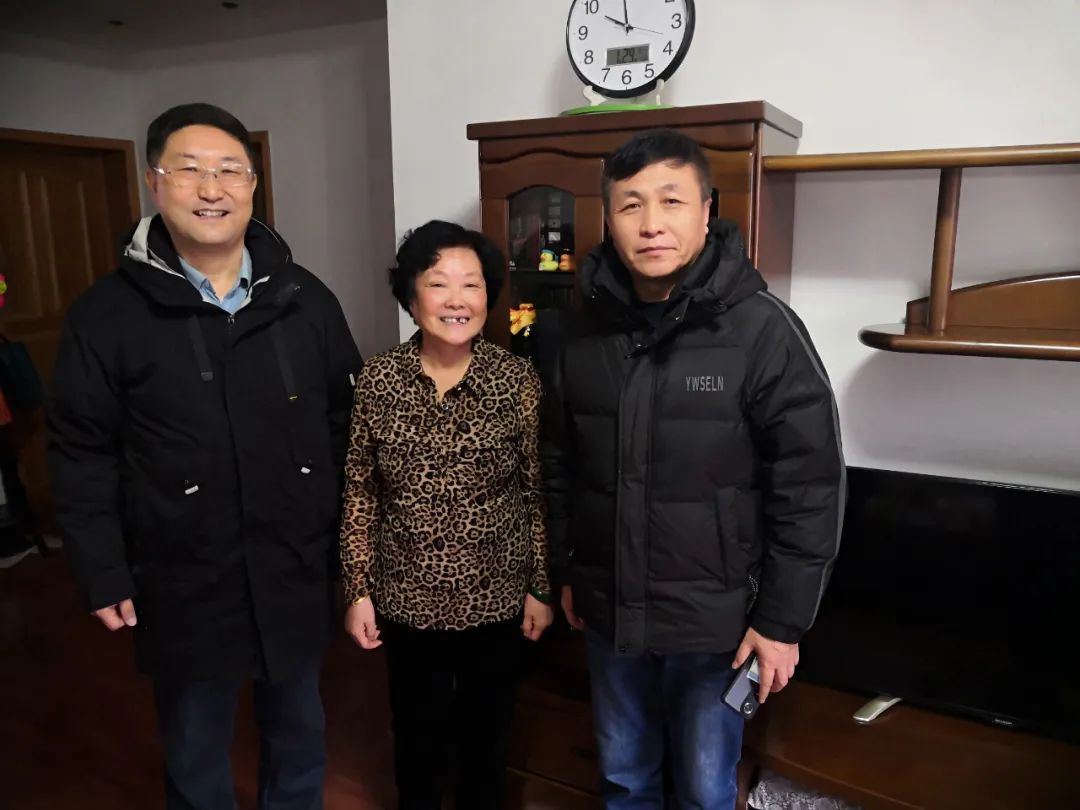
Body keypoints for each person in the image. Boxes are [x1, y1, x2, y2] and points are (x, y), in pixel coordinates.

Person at [47, 102, 362, 810]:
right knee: (195, 746)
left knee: (300, 733)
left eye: (229, 171)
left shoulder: (305, 299)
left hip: (293, 564)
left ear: (253, 185)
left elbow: (347, 427)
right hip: (180, 574)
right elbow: (81, 451)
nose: (211, 189)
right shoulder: (106, 314)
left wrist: (352, 554)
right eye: (189, 170)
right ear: (154, 182)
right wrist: (101, 568)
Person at [541, 128, 845, 809]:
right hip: (611, 614)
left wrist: (783, 622)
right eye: (631, 205)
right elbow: (559, 464)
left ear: (706, 212)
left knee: (706, 791)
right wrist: (569, 569)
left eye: (671, 201)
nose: (651, 223)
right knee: (624, 780)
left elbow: (810, 487)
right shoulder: (577, 335)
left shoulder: (763, 331)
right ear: (609, 219)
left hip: (719, 628)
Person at [339, 220, 554, 810]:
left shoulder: (516, 381)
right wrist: (357, 590)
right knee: (416, 737)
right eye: (439, 284)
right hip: (407, 598)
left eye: (472, 284)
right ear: (412, 298)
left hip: (497, 597)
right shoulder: (379, 380)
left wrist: (540, 586)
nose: (457, 300)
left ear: (489, 296)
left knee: (487, 737)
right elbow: (360, 491)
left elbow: (536, 491)